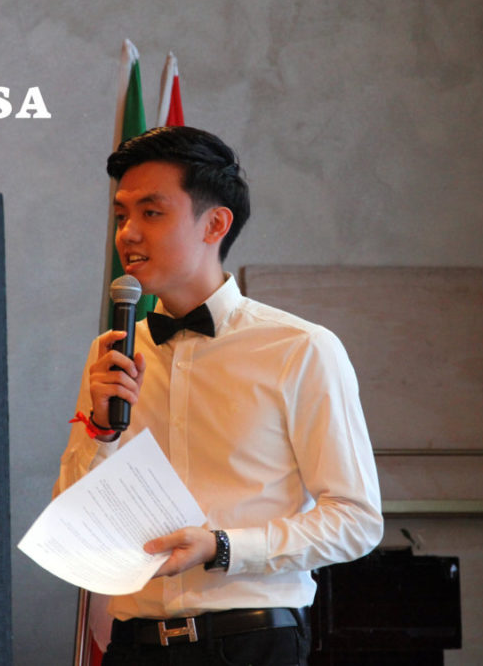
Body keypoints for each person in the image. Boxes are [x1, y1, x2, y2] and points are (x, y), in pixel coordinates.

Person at [54, 126, 383, 666]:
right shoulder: (113, 350)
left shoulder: (300, 348)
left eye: (151, 213)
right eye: (121, 215)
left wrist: (223, 546)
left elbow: (356, 521)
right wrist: (101, 429)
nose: (128, 234)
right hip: (133, 645)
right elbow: (75, 517)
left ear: (215, 224)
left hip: (251, 642)